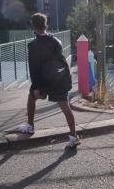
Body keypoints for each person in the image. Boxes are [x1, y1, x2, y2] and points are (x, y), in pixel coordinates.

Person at [15, 13, 80, 150]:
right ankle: (74, 137)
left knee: (31, 97)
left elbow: (34, 69)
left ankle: (30, 126)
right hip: (59, 80)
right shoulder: (57, 42)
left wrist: (36, 87)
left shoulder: (33, 45)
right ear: (45, 25)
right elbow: (60, 62)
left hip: (44, 82)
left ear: (33, 27)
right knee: (65, 108)